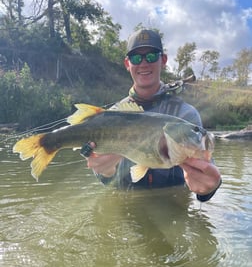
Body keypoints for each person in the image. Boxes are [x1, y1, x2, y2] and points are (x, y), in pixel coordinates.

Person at [85, 29, 221, 202]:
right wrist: (104, 172)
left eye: (150, 56)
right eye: (135, 58)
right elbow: (107, 181)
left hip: (173, 209)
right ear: (127, 63)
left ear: (163, 60)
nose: (143, 63)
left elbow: (207, 167)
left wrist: (208, 189)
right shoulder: (112, 115)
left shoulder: (186, 114)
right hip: (127, 206)